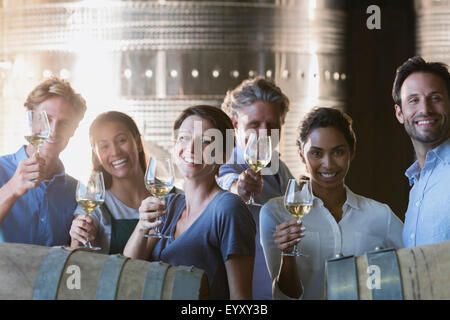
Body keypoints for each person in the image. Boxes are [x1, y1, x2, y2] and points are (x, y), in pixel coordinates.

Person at [260, 107, 404, 300]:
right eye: (316, 153)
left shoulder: (380, 215)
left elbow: (417, 263)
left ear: (352, 152)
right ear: (301, 155)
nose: (328, 164)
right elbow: (287, 296)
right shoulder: (275, 214)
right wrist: (288, 253)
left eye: (338, 152)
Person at [124, 105, 256, 300]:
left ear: (223, 155)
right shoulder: (168, 204)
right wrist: (142, 227)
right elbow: (128, 270)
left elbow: (241, 299)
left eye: (205, 141)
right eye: (184, 137)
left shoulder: (229, 209)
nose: (191, 148)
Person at [218, 77, 294, 299]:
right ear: (234, 125)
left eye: (272, 125)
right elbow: (227, 182)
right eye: (254, 125)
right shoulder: (223, 163)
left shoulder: (280, 168)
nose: (264, 133)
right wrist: (239, 187)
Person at [0, 77, 86, 246]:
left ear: (74, 130)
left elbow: (74, 259)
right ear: (31, 120)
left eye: (63, 123)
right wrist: (11, 189)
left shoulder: (77, 192)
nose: (52, 131)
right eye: (46, 119)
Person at [69, 111, 152, 254]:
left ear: (137, 142)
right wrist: (77, 241)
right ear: (97, 155)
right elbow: (80, 263)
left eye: (121, 140)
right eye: (104, 147)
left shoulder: (171, 197)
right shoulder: (96, 206)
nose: (115, 152)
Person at [392, 56, 450, 248]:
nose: (425, 109)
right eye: (414, 100)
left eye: (435, 98)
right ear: (400, 114)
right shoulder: (417, 184)